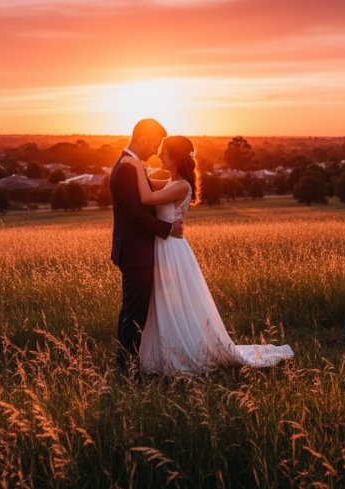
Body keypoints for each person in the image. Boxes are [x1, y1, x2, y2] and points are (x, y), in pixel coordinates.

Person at [120, 135, 294, 375]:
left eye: (164, 152)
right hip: (163, 247)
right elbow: (147, 185)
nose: (159, 155)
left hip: (171, 250)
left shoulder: (182, 186)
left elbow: (146, 197)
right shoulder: (171, 182)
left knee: (175, 302)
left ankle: (183, 350)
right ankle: (162, 351)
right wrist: (136, 167)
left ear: (176, 158)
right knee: (162, 302)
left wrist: (135, 164)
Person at [110, 118, 184, 373]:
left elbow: (153, 193)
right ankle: (129, 371)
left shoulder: (132, 166)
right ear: (142, 138)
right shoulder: (126, 169)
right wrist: (168, 229)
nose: (155, 151)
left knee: (131, 312)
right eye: (154, 144)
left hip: (136, 252)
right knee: (135, 317)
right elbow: (136, 215)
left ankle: (124, 366)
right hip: (136, 254)